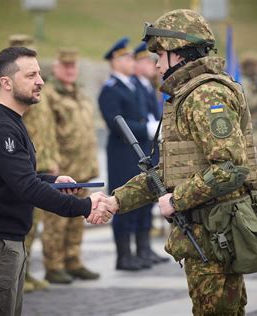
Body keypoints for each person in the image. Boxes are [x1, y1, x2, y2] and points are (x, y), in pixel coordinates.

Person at [105, 9, 257, 315]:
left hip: (216, 238)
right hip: (207, 235)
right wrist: (116, 202)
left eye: (160, 53)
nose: (156, 63)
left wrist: (176, 200)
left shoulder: (205, 96)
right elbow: (170, 170)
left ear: (181, 54)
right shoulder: (188, 95)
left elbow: (230, 169)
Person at [0, 46, 113, 316]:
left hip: (5, 242)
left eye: (39, 74)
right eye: (31, 75)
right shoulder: (0, 126)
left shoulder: (11, 120)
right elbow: (26, 187)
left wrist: (54, 181)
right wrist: (85, 207)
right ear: (6, 82)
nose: (40, 81)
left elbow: (16, 177)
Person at [41, 48, 100, 284]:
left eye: (73, 66)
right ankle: (53, 266)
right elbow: (46, 133)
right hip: (62, 169)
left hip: (83, 167)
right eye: (65, 66)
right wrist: (50, 163)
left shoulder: (80, 94)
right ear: (55, 68)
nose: (70, 70)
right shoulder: (49, 94)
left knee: (77, 218)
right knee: (56, 220)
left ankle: (72, 260)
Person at [98, 37, 156, 271]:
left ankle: (141, 250)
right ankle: (124, 255)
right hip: (122, 154)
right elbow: (117, 124)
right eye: (127, 57)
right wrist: (147, 128)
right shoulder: (110, 90)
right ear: (115, 60)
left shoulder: (133, 86)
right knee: (122, 201)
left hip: (140, 151)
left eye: (132, 57)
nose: (131, 61)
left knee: (143, 199)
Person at [8, 33, 54, 293]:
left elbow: (47, 127)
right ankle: (18, 275)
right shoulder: (17, 88)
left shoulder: (36, 87)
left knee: (33, 225)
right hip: (24, 162)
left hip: (44, 160)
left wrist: (52, 158)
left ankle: (25, 270)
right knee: (22, 224)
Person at [131, 42, 168, 264]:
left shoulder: (148, 86)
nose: (152, 65)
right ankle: (134, 251)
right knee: (137, 201)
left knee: (148, 202)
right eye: (145, 60)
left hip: (150, 149)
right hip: (137, 151)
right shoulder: (136, 86)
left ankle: (145, 248)